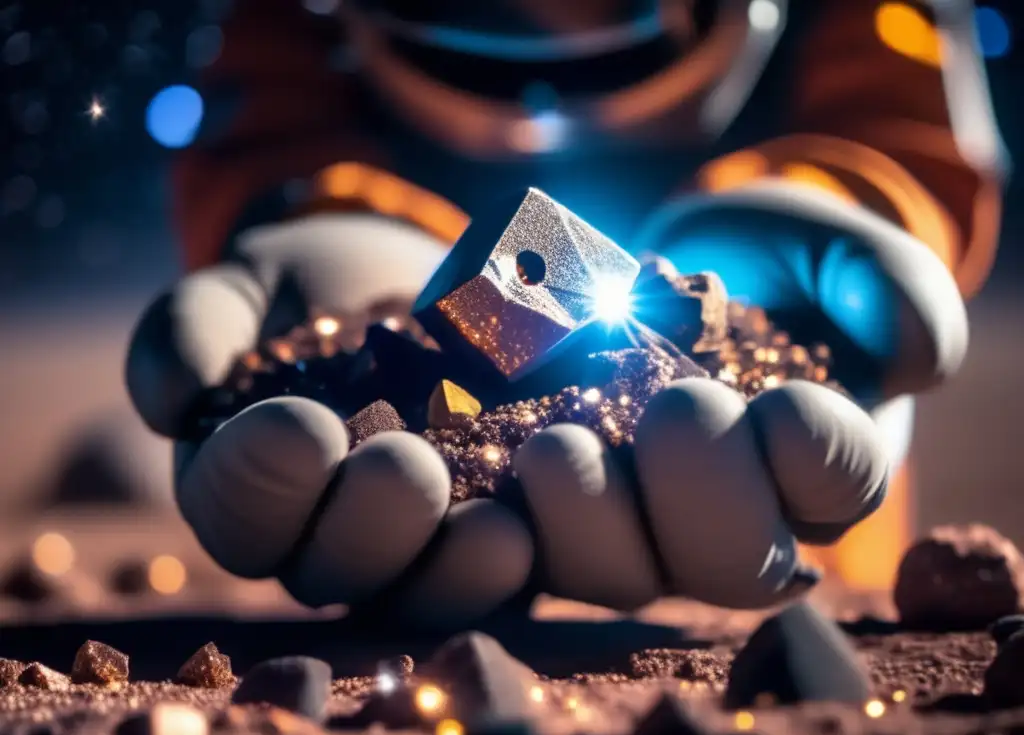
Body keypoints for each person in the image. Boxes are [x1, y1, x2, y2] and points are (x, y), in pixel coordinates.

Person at [125, 0, 1005, 628]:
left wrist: (849, 192)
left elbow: (900, 83)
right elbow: (269, 91)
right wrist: (320, 215)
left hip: (785, 561)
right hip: (415, 582)